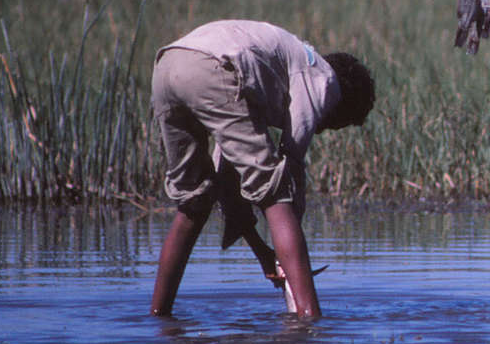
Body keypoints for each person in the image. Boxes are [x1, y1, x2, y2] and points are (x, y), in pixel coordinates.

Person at [148, 20, 375, 318]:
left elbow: (227, 184)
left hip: (168, 66)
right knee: (276, 194)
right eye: (336, 124)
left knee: (194, 202)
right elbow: (288, 170)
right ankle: (309, 320)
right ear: (343, 105)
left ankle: (158, 317)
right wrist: (290, 254)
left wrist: (265, 254)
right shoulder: (323, 78)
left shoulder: (267, 84)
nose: (325, 130)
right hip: (212, 68)